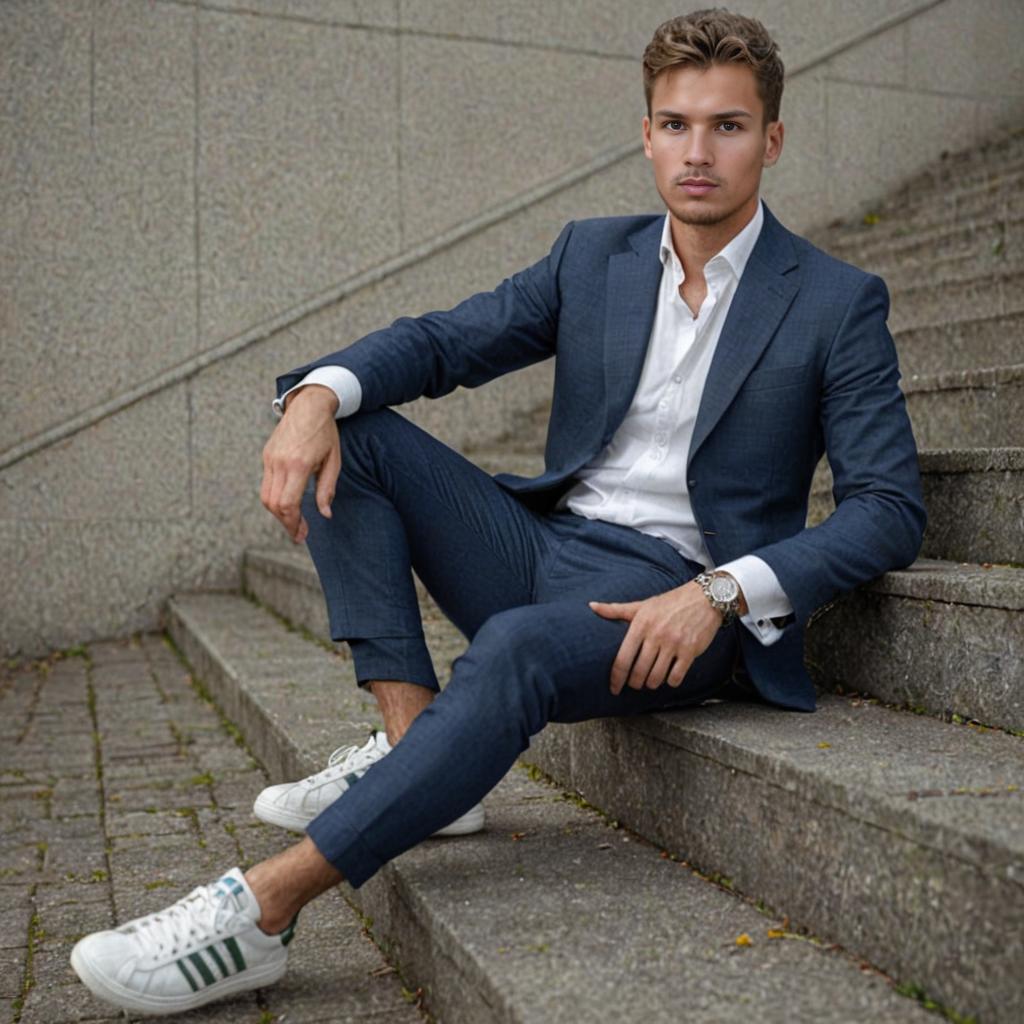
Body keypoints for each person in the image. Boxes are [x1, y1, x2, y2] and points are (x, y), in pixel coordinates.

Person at [70, 9, 925, 1016]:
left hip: (669, 609)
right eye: (675, 124)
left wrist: (722, 592)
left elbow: (886, 508)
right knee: (362, 425)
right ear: (645, 133)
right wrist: (310, 399)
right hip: (545, 546)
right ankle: (420, 752)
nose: (698, 152)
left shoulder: (833, 300)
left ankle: (262, 909)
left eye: (727, 127)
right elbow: (442, 341)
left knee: (514, 646)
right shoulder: (589, 258)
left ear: (771, 139)